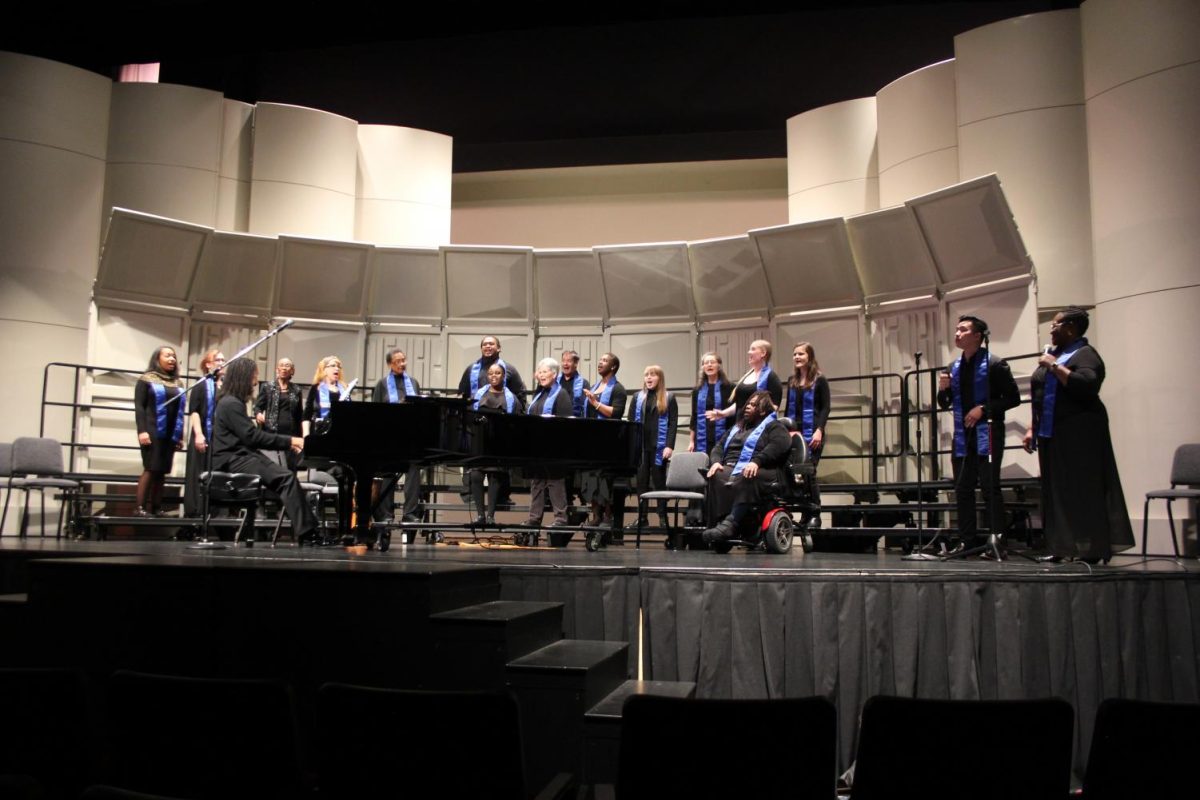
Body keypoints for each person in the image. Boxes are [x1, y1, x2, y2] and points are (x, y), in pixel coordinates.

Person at [1023, 307, 1134, 563]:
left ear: (1071, 328)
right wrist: (1032, 428)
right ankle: (1061, 547)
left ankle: (1091, 550)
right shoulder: (1056, 354)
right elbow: (1039, 396)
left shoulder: (1086, 354)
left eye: (1056, 325)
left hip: (1080, 432)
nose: (1051, 329)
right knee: (1056, 490)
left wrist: (1054, 367)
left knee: (1083, 489)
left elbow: (1087, 385)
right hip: (1052, 433)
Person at [210, 357, 318, 545]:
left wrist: (289, 442)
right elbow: (252, 436)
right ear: (244, 376)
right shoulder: (231, 404)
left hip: (241, 455)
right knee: (286, 478)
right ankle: (309, 534)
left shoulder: (232, 402)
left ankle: (308, 531)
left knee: (285, 476)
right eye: (254, 373)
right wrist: (291, 440)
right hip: (233, 459)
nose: (256, 378)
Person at [936, 315, 1020, 552]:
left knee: (989, 487)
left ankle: (997, 540)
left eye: (963, 330)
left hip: (988, 432)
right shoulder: (953, 367)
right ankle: (966, 540)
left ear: (977, 336)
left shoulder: (994, 364)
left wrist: (983, 409)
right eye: (956, 330)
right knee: (962, 488)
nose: (957, 334)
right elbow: (944, 403)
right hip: (963, 436)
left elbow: (1012, 398)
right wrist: (943, 390)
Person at [702, 390, 792, 544]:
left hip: (764, 470)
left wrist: (757, 461)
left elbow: (780, 445)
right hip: (733, 467)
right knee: (715, 475)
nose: (748, 407)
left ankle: (732, 523)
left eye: (753, 405)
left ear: (763, 410)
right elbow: (719, 446)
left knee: (747, 474)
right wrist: (716, 461)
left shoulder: (774, 426)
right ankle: (719, 523)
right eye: (748, 404)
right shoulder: (737, 428)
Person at [458, 336, 526, 509]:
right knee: (473, 462)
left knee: (500, 464)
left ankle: (502, 496)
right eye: (484, 344)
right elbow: (462, 393)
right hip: (477, 423)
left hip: (500, 424)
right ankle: (470, 495)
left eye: (491, 344)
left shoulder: (509, 369)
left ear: (499, 348)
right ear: (481, 348)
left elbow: (520, 393)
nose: (488, 346)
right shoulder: (471, 369)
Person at [370, 347, 424, 525]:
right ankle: (386, 514)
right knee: (387, 473)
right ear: (389, 364)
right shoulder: (382, 384)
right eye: (398, 361)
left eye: (404, 360)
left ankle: (410, 514)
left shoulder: (413, 383)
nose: (402, 364)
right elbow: (375, 412)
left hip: (410, 437)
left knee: (414, 470)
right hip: (389, 437)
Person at [468, 363, 525, 525]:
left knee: (494, 477)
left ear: (503, 376)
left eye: (497, 373)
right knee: (476, 475)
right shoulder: (479, 394)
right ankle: (480, 516)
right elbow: (470, 416)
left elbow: (516, 421)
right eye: (491, 373)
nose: (494, 376)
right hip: (479, 441)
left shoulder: (511, 398)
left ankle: (491, 516)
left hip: (498, 442)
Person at [133, 346, 185, 517]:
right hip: (152, 429)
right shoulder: (147, 379)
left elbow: (180, 410)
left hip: (170, 432)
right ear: (158, 358)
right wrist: (142, 431)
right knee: (151, 468)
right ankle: (139, 507)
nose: (172, 359)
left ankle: (156, 507)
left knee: (162, 470)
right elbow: (140, 407)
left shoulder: (177, 382)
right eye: (167, 355)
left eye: (174, 356)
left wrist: (179, 435)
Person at [785, 342, 831, 529]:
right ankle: (804, 513)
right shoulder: (791, 381)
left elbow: (825, 407)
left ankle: (814, 514)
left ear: (809, 356)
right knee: (797, 474)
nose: (797, 357)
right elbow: (788, 408)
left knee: (809, 472)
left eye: (801, 354)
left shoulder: (820, 380)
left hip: (813, 432)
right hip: (795, 434)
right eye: (795, 354)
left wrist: (819, 429)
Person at [524, 357, 574, 529]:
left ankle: (561, 518)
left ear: (554, 374)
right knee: (537, 482)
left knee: (555, 482)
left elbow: (566, 422)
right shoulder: (539, 394)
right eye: (539, 372)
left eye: (545, 371)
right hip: (537, 446)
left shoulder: (561, 394)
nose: (541, 375)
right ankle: (534, 518)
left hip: (554, 447)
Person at [627, 365, 679, 531]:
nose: (649, 378)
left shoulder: (669, 397)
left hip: (659, 447)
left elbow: (672, 423)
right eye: (646, 375)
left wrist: (669, 446)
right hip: (642, 447)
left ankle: (663, 517)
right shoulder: (637, 397)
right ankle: (642, 517)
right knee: (641, 483)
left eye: (653, 375)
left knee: (659, 483)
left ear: (659, 378)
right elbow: (631, 422)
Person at [580, 352, 628, 528]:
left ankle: (608, 517)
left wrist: (596, 404)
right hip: (592, 440)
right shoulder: (594, 387)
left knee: (605, 479)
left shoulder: (618, 389)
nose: (600, 363)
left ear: (613, 367)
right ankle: (596, 515)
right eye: (600, 360)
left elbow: (617, 413)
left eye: (605, 361)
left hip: (609, 441)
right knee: (591, 477)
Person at [184, 349, 225, 518]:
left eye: (224, 360)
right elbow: (194, 412)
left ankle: (215, 512)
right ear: (208, 364)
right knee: (198, 473)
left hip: (220, 438)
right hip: (203, 435)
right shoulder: (201, 384)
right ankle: (196, 512)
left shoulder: (227, 386)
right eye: (218, 360)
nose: (222, 362)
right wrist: (199, 434)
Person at [708, 339, 783, 425]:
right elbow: (739, 404)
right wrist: (723, 413)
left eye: (753, 349)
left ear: (763, 353)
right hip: (740, 425)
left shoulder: (771, 377)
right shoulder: (747, 376)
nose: (749, 352)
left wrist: (757, 411)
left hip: (758, 427)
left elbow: (775, 407)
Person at [254, 357, 304, 467]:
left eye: (287, 366)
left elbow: (300, 414)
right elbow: (257, 406)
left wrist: (301, 437)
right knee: (273, 466)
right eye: (281, 365)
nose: (284, 368)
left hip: (291, 434)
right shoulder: (267, 387)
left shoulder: (296, 389)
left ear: (292, 371)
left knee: (290, 467)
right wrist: (258, 414)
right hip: (272, 433)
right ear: (277, 369)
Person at [688, 352, 734, 456]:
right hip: (702, 436)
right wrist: (691, 441)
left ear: (719, 366)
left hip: (724, 434)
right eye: (706, 363)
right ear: (703, 367)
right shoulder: (697, 390)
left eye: (712, 362)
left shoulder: (730, 387)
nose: (709, 365)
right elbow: (694, 417)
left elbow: (735, 413)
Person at [303, 355, 350, 436]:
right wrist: (306, 435)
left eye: (338, 366)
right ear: (324, 370)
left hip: (340, 432)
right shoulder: (316, 388)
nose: (337, 368)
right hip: (319, 431)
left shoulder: (345, 389)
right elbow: (307, 414)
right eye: (333, 366)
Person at [558, 350, 590, 418]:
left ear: (575, 364)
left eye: (569, 361)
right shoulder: (555, 381)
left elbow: (586, 407)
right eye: (563, 360)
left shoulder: (584, 383)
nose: (565, 363)